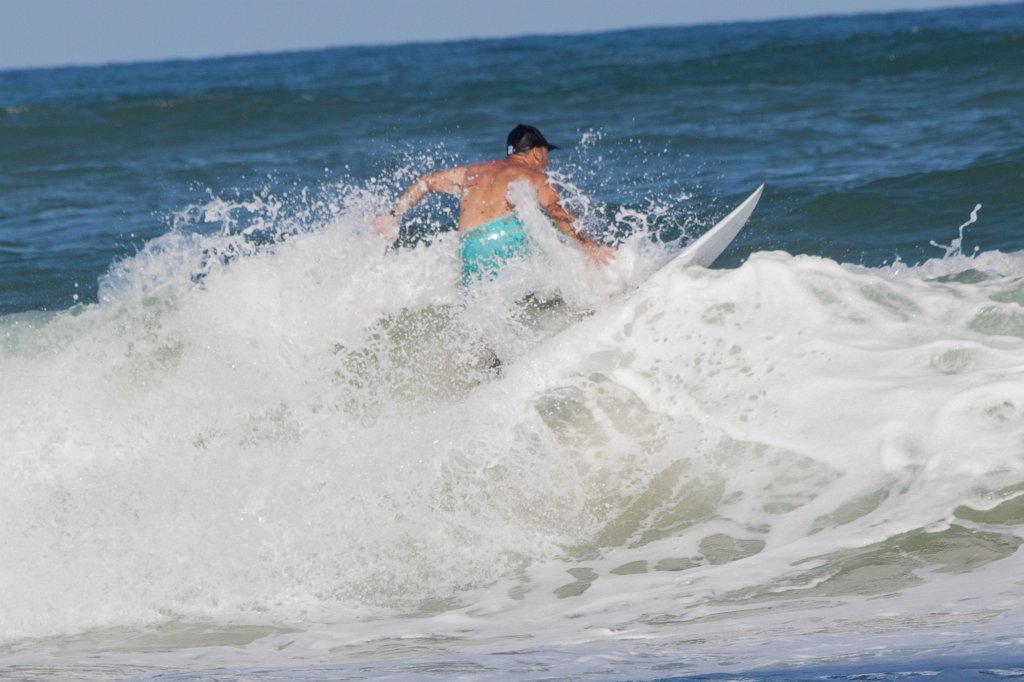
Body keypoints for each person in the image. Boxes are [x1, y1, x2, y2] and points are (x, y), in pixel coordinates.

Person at [374, 124, 614, 286]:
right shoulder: (534, 176)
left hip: (471, 246)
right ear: (536, 153)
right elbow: (556, 211)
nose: (548, 161)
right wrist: (589, 245)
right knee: (550, 281)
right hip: (506, 239)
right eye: (546, 153)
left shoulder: (472, 172)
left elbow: (426, 182)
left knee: (483, 319)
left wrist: (393, 214)